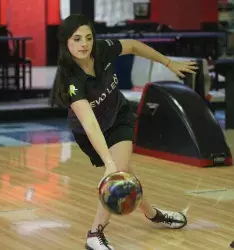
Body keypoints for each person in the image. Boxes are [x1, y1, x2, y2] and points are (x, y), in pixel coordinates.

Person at [49, 14, 198, 250]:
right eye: (76, 39)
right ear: (66, 43)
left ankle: (94, 233)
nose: (84, 44)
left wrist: (168, 63)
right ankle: (152, 214)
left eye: (88, 37)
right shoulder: (72, 80)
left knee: (119, 173)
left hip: (119, 117)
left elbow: (134, 46)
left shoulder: (102, 50)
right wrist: (107, 161)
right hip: (90, 131)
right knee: (122, 170)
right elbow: (90, 124)